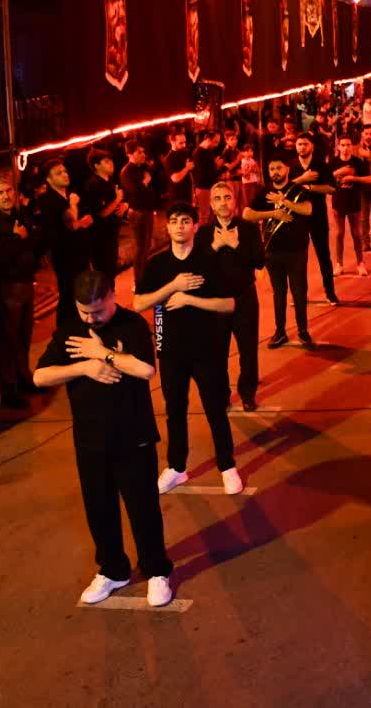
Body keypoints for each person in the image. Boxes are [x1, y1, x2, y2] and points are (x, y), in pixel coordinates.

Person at [33, 270, 174, 608]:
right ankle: (113, 569)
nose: (90, 319)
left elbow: (146, 370)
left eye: (97, 311)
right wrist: (83, 368)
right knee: (99, 509)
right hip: (90, 439)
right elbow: (40, 376)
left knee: (143, 509)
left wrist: (103, 354)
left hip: (133, 436)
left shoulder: (133, 325)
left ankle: (156, 570)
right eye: (84, 311)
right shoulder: (70, 329)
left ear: (112, 296)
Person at [134, 202, 241, 496]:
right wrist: (173, 287)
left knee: (215, 409)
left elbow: (229, 304)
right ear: (167, 227)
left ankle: (227, 466)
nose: (179, 226)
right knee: (175, 411)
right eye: (174, 221)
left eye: (185, 221)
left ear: (195, 226)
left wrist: (189, 299)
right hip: (170, 351)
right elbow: (139, 303)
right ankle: (177, 467)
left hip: (207, 349)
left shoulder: (209, 260)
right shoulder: (157, 265)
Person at [197, 182, 264, 409]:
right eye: (218, 198)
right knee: (217, 352)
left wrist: (236, 244)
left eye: (227, 197)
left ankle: (247, 393)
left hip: (245, 298)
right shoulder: (203, 234)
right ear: (211, 204)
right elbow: (198, 269)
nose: (223, 203)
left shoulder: (249, 229)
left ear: (235, 201)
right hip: (216, 302)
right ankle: (222, 394)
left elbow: (259, 262)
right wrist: (215, 246)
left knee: (248, 350)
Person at [0, 176, 38, 409]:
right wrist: (17, 237)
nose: (6, 196)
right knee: (8, 340)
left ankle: (24, 379)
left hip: (24, 282)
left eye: (8, 191)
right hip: (5, 287)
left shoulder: (18, 215)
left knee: (23, 336)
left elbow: (34, 242)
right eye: (0, 192)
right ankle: (9, 391)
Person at [246, 159, 314, 348]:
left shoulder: (298, 190)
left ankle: (303, 331)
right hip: (273, 252)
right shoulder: (264, 192)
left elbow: (307, 209)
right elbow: (246, 214)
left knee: (299, 292)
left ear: (287, 169)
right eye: (271, 169)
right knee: (279, 293)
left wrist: (283, 201)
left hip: (297, 251)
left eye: (278, 168)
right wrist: (272, 214)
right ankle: (280, 332)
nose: (275, 171)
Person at [36, 160, 93, 326]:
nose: (64, 175)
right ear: (49, 179)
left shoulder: (70, 195)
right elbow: (71, 223)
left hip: (80, 251)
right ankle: (65, 329)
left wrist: (81, 222)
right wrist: (75, 210)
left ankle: (82, 325)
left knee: (83, 291)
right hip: (65, 255)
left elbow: (85, 220)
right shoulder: (48, 200)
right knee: (69, 293)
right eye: (58, 173)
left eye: (65, 171)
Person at [290, 134, 339, 305]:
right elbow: (283, 189)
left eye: (305, 144)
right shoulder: (291, 166)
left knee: (324, 255)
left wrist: (310, 187)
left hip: (318, 216)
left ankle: (330, 293)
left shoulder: (321, 165)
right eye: (299, 144)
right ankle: (299, 295)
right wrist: (302, 179)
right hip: (297, 218)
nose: (302, 147)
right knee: (298, 259)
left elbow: (332, 188)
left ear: (312, 146)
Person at [81, 148, 129, 276]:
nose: (111, 164)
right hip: (100, 239)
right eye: (106, 161)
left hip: (112, 234)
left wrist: (124, 205)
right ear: (96, 165)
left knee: (111, 273)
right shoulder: (93, 185)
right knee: (104, 274)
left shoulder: (110, 182)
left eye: (111, 160)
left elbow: (118, 203)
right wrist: (117, 200)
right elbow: (101, 213)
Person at [330, 136, 371, 277]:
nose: (346, 148)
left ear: (352, 147)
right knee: (339, 234)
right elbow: (326, 179)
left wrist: (352, 178)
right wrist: (339, 172)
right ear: (338, 147)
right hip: (338, 203)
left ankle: (360, 263)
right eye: (343, 145)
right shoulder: (333, 162)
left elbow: (370, 179)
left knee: (356, 234)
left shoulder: (358, 162)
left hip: (354, 203)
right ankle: (339, 264)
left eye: (348, 144)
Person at [120, 140, 160, 286]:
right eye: (139, 152)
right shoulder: (127, 172)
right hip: (137, 213)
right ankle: (139, 281)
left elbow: (153, 187)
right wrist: (145, 181)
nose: (143, 155)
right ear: (130, 154)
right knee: (140, 248)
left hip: (147, 210)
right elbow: (135, 191)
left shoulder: (142, 168)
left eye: (143, 152)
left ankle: (145, 277)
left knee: (146, 247)